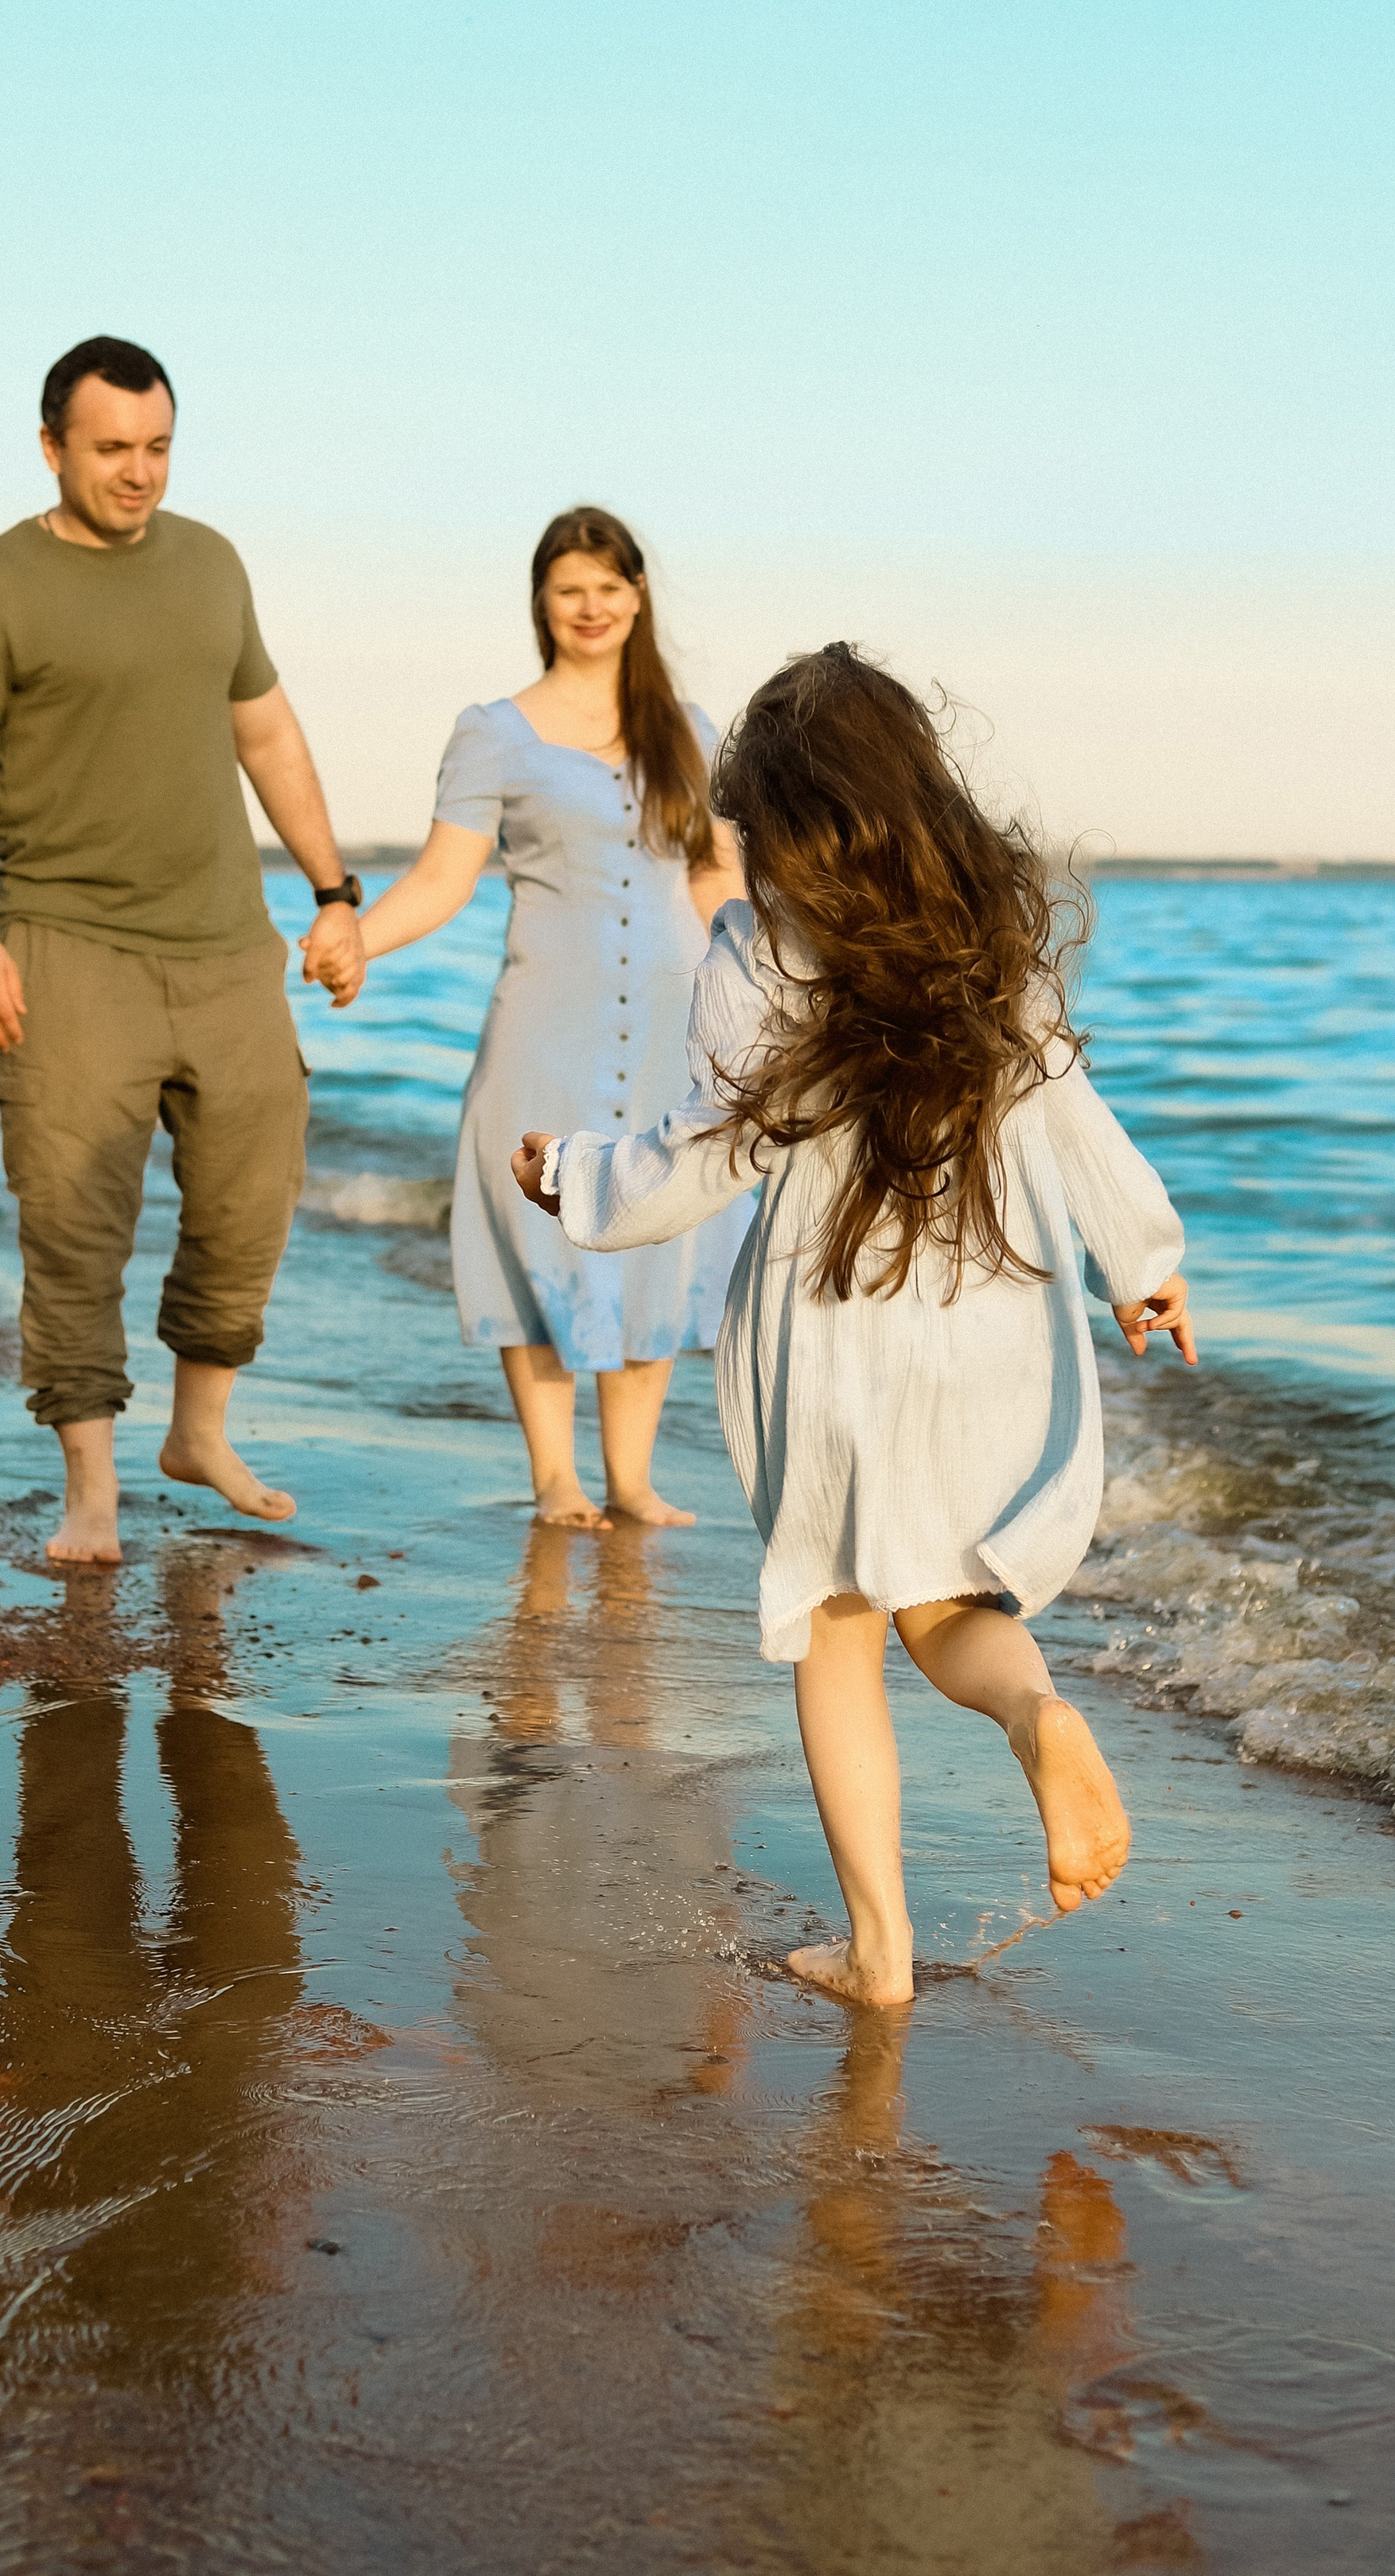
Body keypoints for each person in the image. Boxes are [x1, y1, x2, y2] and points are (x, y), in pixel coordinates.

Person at [511, 644, 1198, 2006]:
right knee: (951, 1603)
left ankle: (879, 1951)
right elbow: (1072, 1113)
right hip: (991, 1320)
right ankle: (1036, 1713)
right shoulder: (992, 948)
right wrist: (1146, 1259)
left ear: (791, 830)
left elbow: (704, 1158)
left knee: (838, 1624)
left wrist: (569, 1175)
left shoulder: (757, 958)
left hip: (834, 1330)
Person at [0, 334, 366, 1562]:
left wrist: (334, 893)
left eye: (158, 447)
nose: (139, 472)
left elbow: (268, 736)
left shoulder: (211, 564)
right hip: (64, 947)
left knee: (254, 1190)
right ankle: (92, 1490)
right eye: (112, 449)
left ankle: (197, 1431)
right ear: (51, 444)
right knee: (73, 1223)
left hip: (225, 946)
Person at [350, 507, 754, 1527]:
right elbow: (445, 879)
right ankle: (556, 1480)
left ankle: (630, 1480)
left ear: (638, 597)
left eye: (610, 588)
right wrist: (357, 937)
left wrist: (774, 976)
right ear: (542, 599)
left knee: (659, 1223)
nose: (592, 608)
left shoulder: (693, 732)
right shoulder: (492, 731)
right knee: (544, 1228)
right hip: (545, 1022)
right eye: (571, 588)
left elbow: (717, 877)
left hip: (675, 1022)